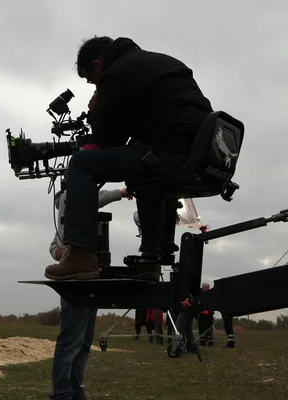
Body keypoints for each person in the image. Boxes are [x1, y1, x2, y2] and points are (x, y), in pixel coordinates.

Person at [45, 36, 213, 282]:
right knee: (146, 171)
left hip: (170, 154)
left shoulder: (117, 73)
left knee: (82, 164)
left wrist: (95, 109)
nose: (94, 85)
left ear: (98, 65)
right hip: (202, 155)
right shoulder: (158, 63)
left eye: (91, 80)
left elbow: (106, 138)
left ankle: (81, 255)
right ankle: (151, 259)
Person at [48, 172, 133, 400]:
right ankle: (62, 393)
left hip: (91, 277)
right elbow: (97, 198)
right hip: (76, 281)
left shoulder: (78, 218)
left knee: (84, 342)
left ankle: (74, 390)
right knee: (71, 341)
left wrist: (57, 250)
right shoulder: (71, 198)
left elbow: (54, 244)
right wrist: (122, 192)